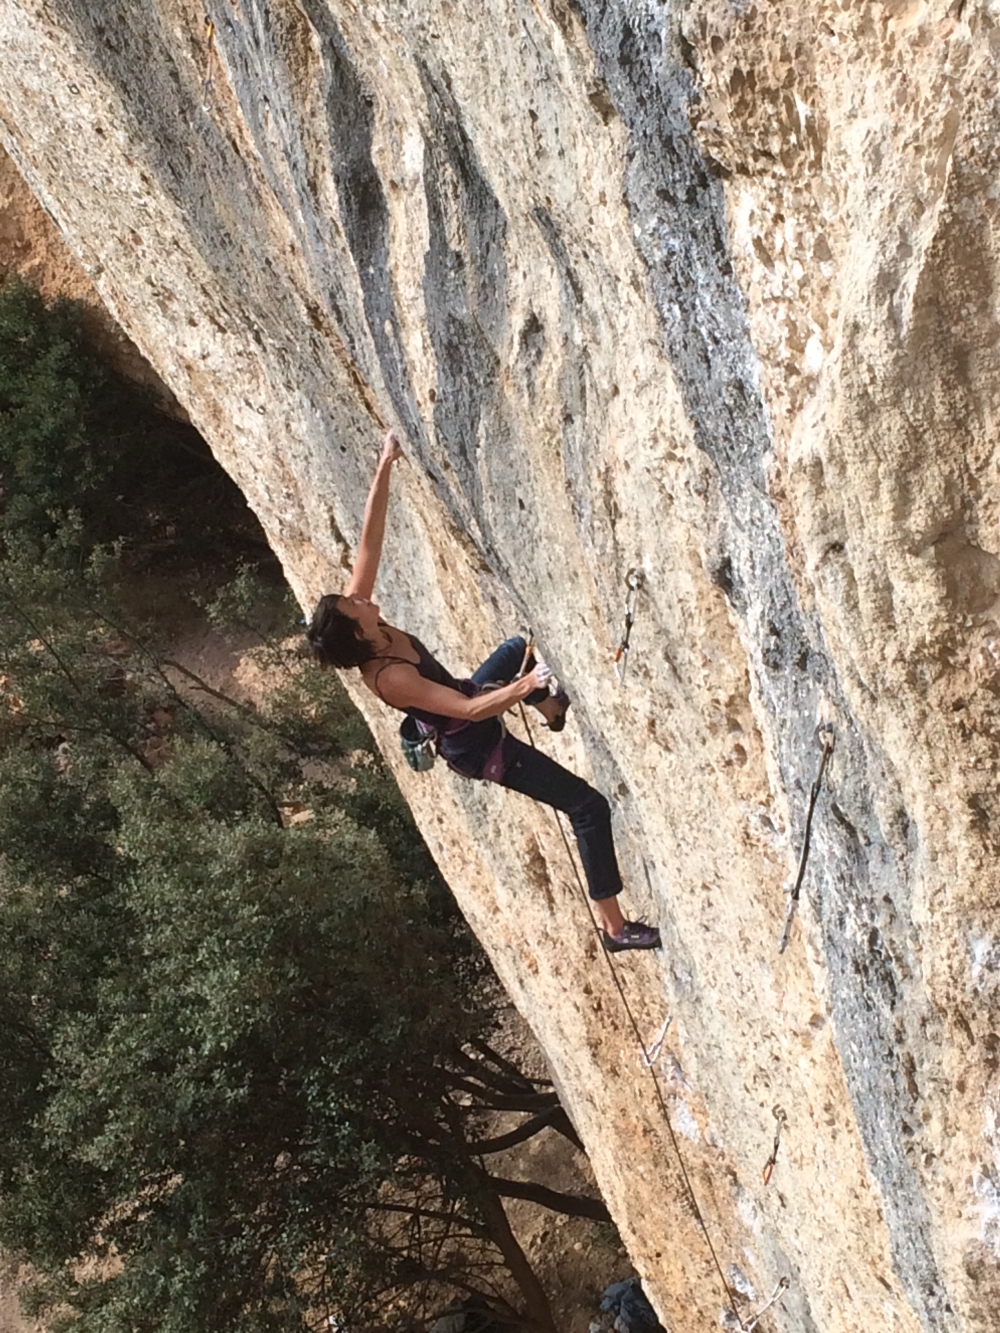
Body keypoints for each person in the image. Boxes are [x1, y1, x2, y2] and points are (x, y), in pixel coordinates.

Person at [306, 430, 661, 954]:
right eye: (351, 603)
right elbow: (469, 709)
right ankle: (616, 929)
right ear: (355, 630)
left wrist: (385, 465)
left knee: (519, 646)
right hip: (478, 747)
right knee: (587, 806)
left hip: (471, 701)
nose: (358, 595)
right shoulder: (389, 676)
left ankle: (554, 711)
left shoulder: (361, 619)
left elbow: (368, 541)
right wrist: (522, 687)